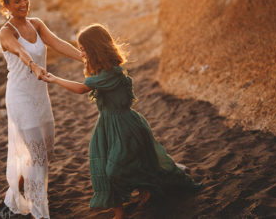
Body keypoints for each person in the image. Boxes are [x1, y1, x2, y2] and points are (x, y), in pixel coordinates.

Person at [42, 24, 201, 219]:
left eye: (83, 48)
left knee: (115, 169)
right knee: (107, 167)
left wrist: (53, 79)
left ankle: (146, 188)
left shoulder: (111, 73)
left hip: (125, 126)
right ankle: (120, 212)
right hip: (107, 125)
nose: (80, 52)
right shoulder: (100, 70)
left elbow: (82, 89)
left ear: (94, 49)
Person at [0, 0, 82, 219]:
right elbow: (20, 51)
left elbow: (58, 44)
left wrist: (85, 58)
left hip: (40, 96)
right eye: (17, 1)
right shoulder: (6, 32)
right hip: (20, 98)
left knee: (45, 150)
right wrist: (33, 66)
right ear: (6, 5)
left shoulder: (36, 24)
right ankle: (38, 212)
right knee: (38, 156)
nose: (23, 4)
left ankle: (11, 198)